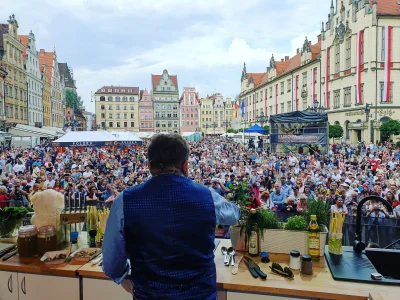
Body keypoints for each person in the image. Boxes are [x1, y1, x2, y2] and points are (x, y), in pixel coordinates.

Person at [103, 134, 240, 299]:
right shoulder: (207, 196)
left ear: (149, 166)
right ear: (185, 165)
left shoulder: (125, 200)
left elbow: (111, 264)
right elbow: (234, 215)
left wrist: (129, 285)